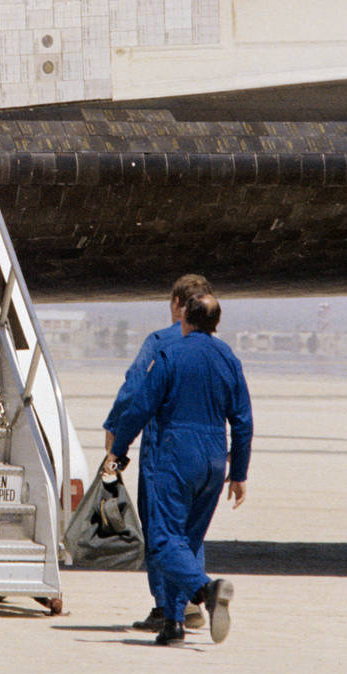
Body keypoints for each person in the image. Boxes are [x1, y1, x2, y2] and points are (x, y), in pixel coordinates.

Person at [104, 293, 253, 646]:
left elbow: (139, 405)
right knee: (187, 540)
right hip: (215, 460)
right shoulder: (229, 359)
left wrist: (119, 450)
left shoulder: (169, 354)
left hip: (173, 456)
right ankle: (173, 623)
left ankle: (207, 590)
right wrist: (240, 472)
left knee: (162, 540)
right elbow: (243, 421)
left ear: (185, 316)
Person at [103, 273, 213, 634]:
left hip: (162, 452)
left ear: (177, 306)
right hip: (208, 454)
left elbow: (135, 391)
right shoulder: (218, 349)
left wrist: (115, 437)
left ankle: (170, 608)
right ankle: (187, 604)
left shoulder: (161, 342)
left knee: (161, 530)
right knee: (189, 534)